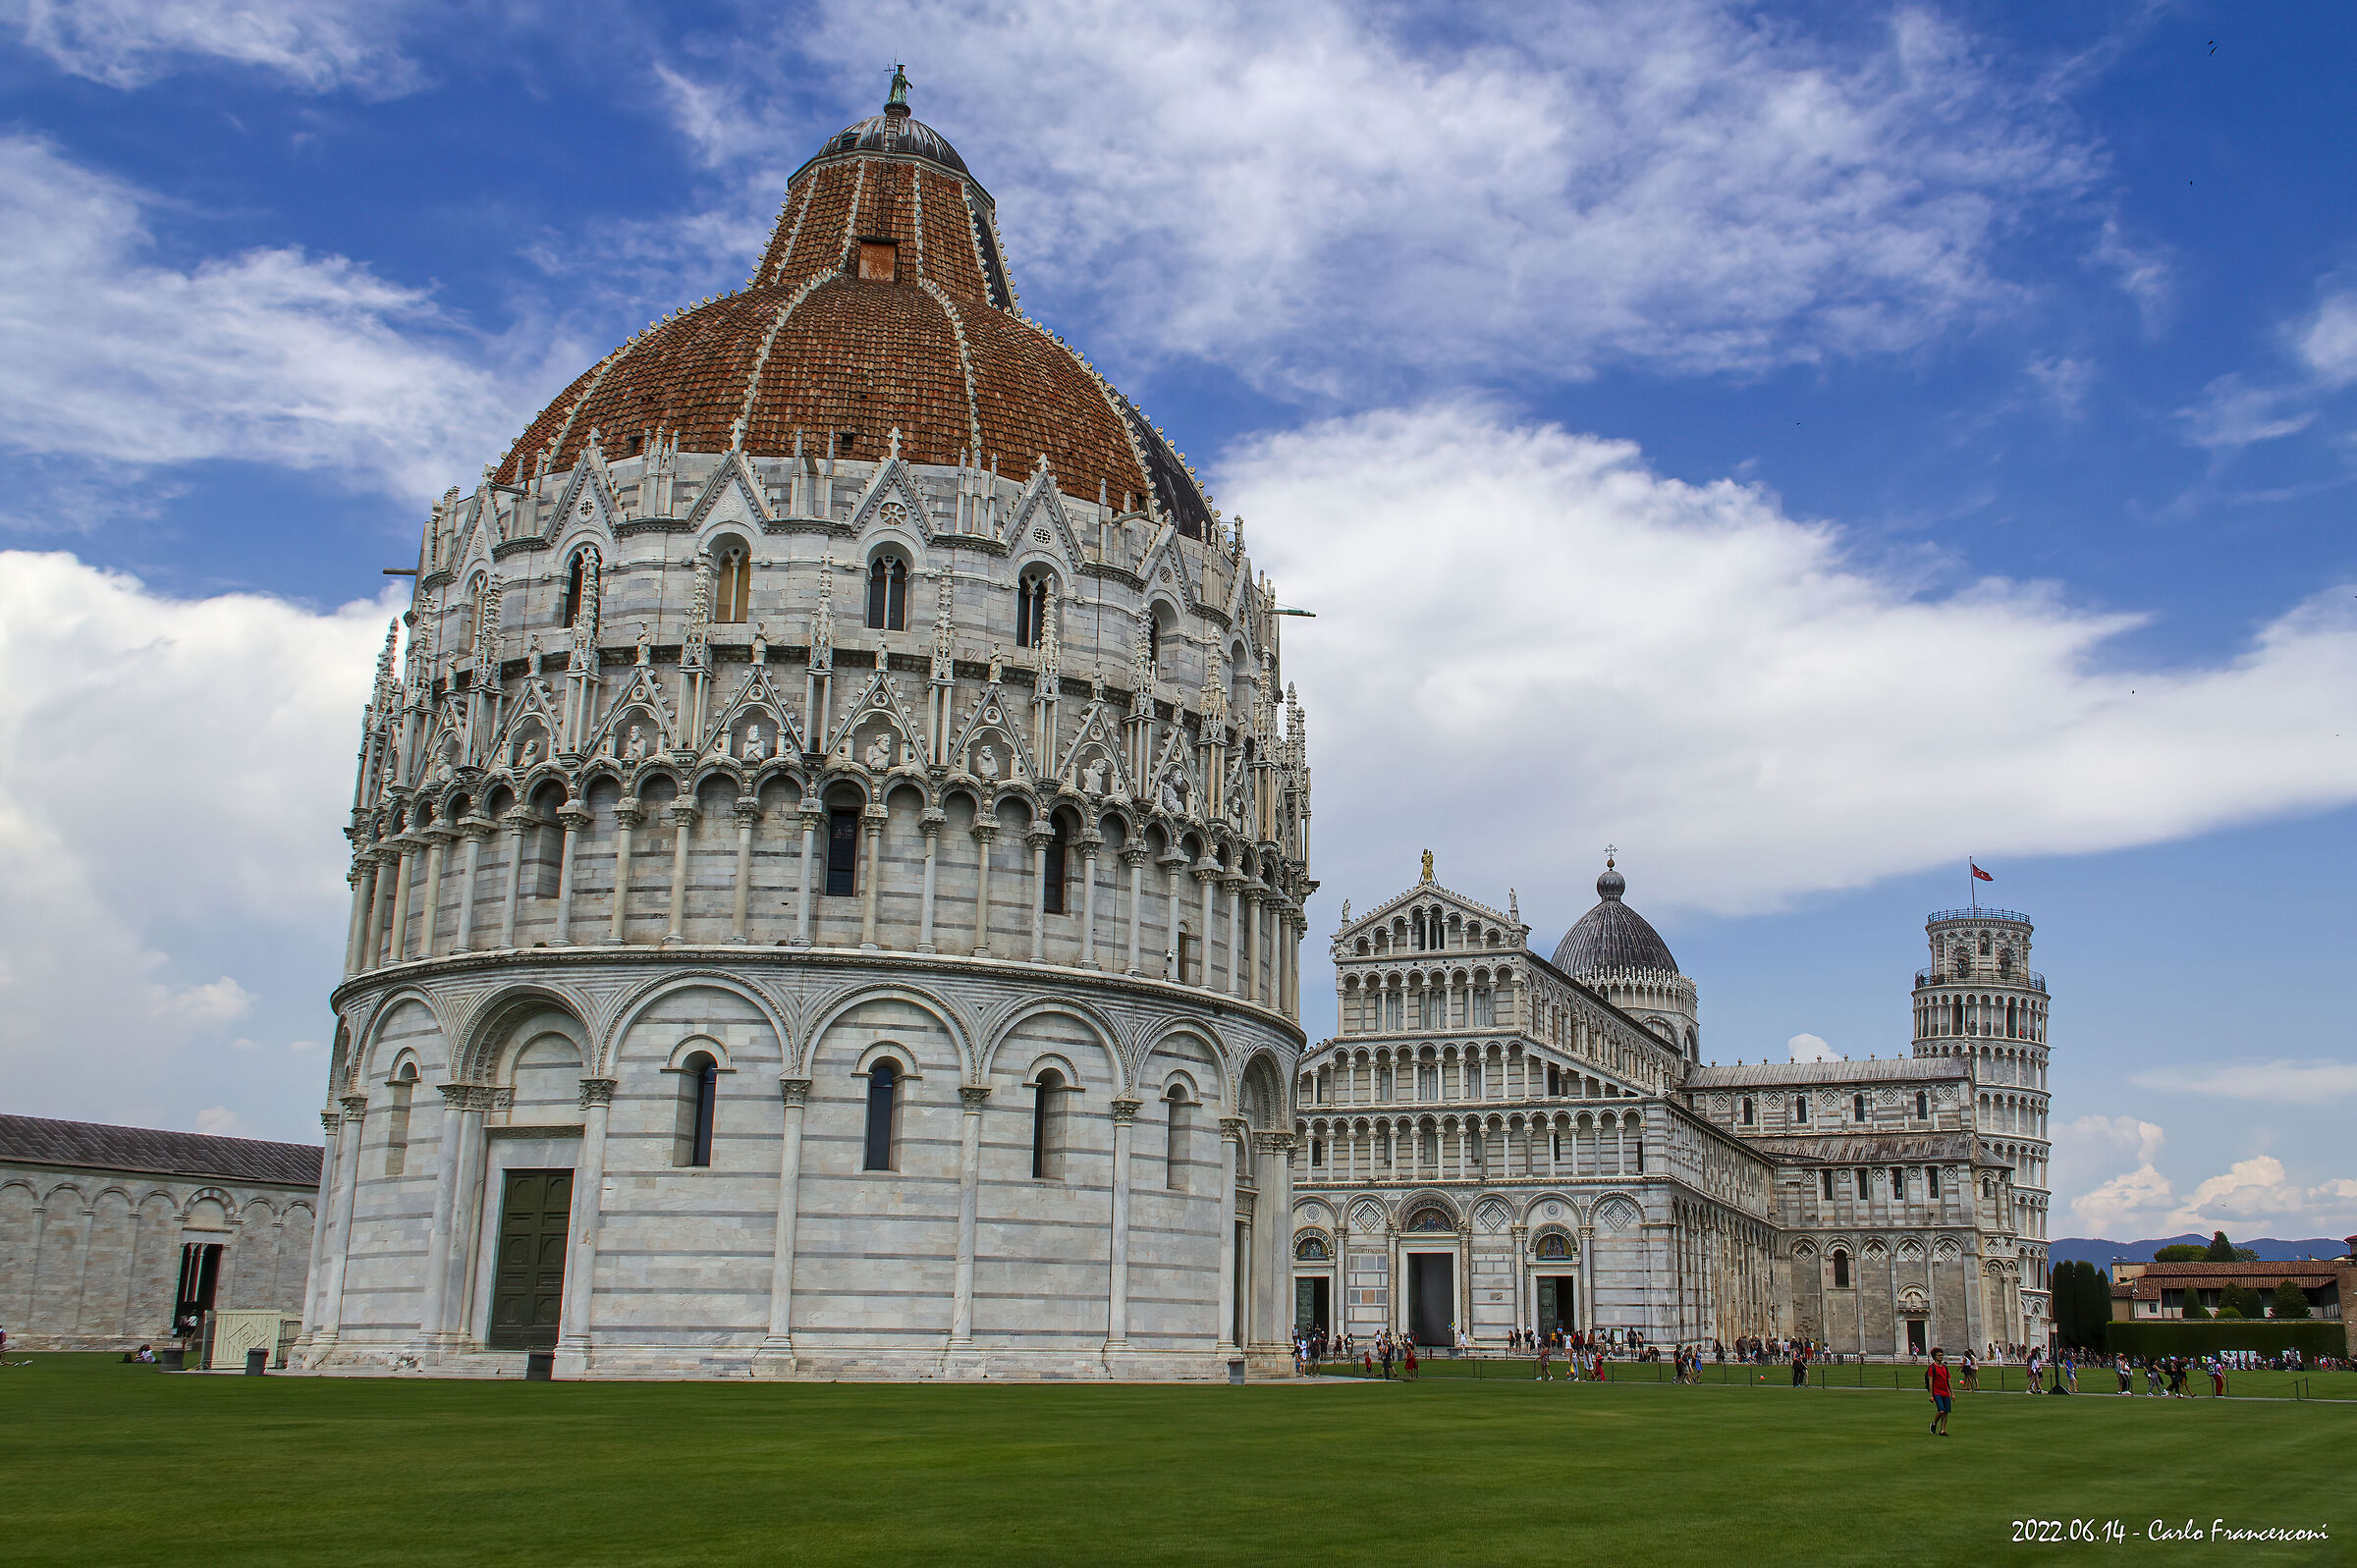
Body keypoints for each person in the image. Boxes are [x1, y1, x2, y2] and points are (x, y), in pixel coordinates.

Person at [1926, 1348, 1953, 1436]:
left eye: (1941, 1355)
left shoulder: (1945, 1368)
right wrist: (1931, 1395)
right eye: (1938, 1355)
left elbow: (1948, 1381)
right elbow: (1930, 1382)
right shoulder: (1932, 1368)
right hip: (1937, 1392)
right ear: (1934, 1356)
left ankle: (1942, 1430)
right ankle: (1934, 1423)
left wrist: (1952, 1394)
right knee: (1941, 1410)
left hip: (1945, 1392)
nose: (1940, 1357)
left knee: (1946, 1412)